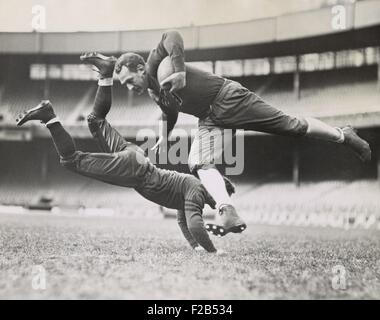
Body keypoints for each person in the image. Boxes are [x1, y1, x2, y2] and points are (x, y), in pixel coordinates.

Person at [108, 30, 371, 235]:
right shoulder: (154, 91)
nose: (130, 88)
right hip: (210, 119)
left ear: (141, 69)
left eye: (130, 81)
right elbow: (171, 111)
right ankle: (227, 210)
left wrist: (178, 70)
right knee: (197, 162)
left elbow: (172, 35)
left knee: (292, 126)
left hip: (228, 97)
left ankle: (343, 135)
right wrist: (165, 133)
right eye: (125, 85)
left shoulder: (155, 63)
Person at [15, 57, 236, 253]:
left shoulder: (192, 188)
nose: (220, 204)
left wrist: (196, 246)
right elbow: (195, 224)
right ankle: (50, 116)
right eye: (221, 200)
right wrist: (212, 251)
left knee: (95, 121)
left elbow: (184, 222)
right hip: (136, 171)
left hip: (136, 157)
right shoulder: (196, 192)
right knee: (71, 160)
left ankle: (105, 74)